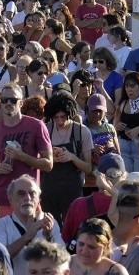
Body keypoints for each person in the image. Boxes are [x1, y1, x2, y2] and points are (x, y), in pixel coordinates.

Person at [0, 83, 53, 213]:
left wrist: (22, 156)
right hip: (2, 198)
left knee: (33, 234)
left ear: (21, 103)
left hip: (28, 199)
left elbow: (48, 164)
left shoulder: (36, 126)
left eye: (13, 100)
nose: (8, 103)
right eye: (4, 100)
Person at [0, 175, 64, 275]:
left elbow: (62, 260)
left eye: (32, 193)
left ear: (39, 199)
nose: (27, 198)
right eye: (21, 193)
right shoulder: (1, 225)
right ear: (10, 199)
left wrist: (48, 237)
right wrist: (27, 236)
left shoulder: (49, 222)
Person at [42, 93, 95, 223]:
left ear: (70, 114)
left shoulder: (82, 131)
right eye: (56, 117)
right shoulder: (45, 129)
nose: (59, 121)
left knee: (74, 225)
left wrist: (72, 157)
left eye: (63, 117)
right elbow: (35, 161)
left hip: (72, 188)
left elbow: (89, 168)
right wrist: (51, 158)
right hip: (49, 188)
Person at [70, 218, 135, 275]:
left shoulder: (117, 273)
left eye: (91, 247)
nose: (84, 251)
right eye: (81, 244)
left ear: (106, 246)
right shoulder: (63, 264)